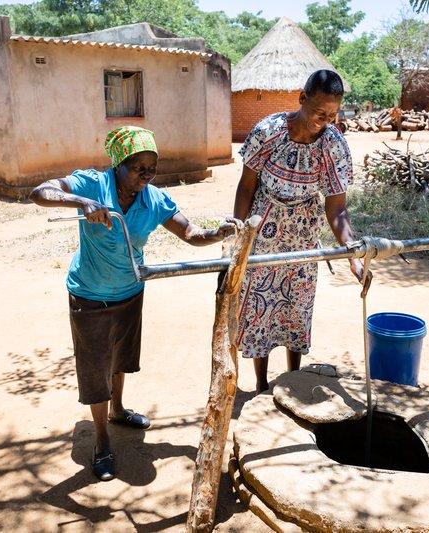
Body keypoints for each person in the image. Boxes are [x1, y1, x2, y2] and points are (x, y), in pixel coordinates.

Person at [30, 126, 238, 482]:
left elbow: (189, 233)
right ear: (118, 164)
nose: (145, 175)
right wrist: (81, 202)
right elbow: (40, 192)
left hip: (129, 291)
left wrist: (218, 233)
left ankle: (118, 409)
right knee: (96, 366)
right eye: (137, 167)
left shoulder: (153, 199)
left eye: (151, 167)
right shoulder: (94, 184)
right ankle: (101, 439)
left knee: (121, 356)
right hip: (89, 294)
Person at [232, 69, 365, 393]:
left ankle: (293, 380)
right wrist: (238, 239)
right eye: (320, 113)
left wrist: (352, 253)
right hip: (262, 232)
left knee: (296, 309)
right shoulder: (268, 132)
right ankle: (261, 385)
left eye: (333, 115)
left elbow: (337, 207)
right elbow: (246, 188)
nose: (326, 121)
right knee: (259, 309)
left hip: (304, 236)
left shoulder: (333, 146)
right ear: (302, 99)